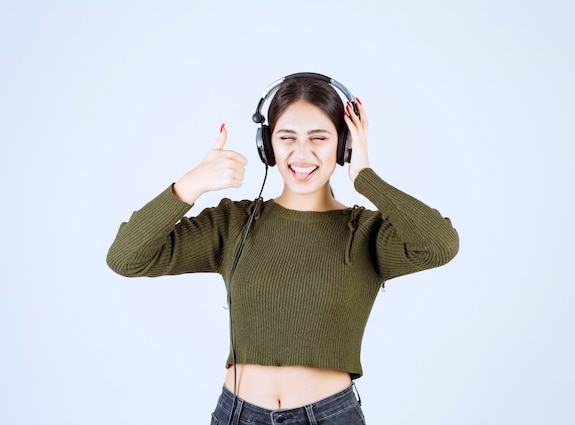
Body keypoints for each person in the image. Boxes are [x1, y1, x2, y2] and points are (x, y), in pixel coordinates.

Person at [107, 73, 459, 425]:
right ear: (267, 145)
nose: (301, 153)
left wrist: (364, 175)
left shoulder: (366, 232)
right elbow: (127, 258)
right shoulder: (233, 224)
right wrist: (192, 183)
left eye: (319, 138)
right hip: (237, 415)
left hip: (330, 416)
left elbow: (439, 244)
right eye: (286, 137)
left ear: (343, 145)